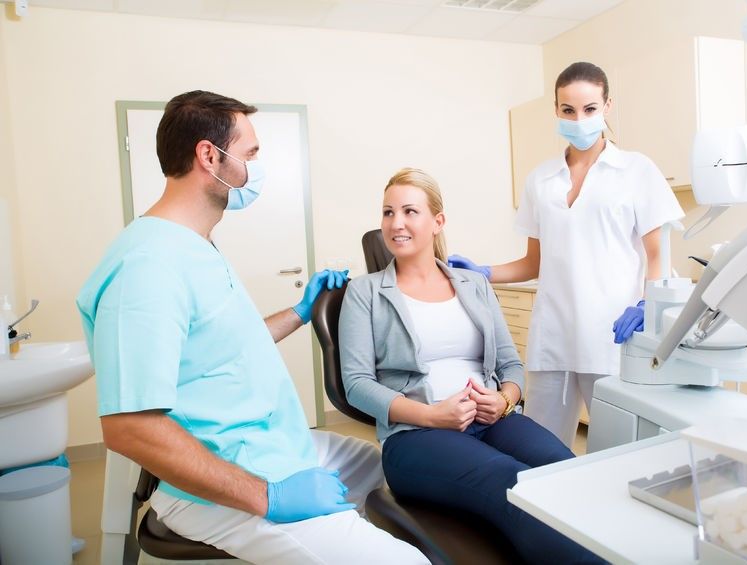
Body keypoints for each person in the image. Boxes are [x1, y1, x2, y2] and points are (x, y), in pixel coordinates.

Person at [76, 91, 428, 565]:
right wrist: (269, 496)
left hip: (270, 443)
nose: (255, 168)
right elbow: (130, 428)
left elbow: (223, 349)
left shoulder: (194, 245)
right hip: (219, 481)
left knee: (406, 472)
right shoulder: (147, 267)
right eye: (250, 154)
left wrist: (300, 311)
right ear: (209, 156)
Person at [339, 168, 602, 564]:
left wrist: (505, 399)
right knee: (513, 483)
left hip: (491, 421)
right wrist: (432, 415)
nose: (396, 223)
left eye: (410, 211)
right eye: (388, 212)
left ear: (437, 221)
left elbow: (511, 365)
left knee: (566, 470)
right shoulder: (365, 292)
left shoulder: (473, 284)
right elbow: (357, 384)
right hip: (416, 436)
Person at [448, 61, 685, 447]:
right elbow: (533, 262)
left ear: (607, 106)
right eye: (569, 110)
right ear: (557, 111)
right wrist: (483, 271)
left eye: (590, 109)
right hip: (553, 338)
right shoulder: (541, 179)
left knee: (615, 450)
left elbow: (656, 255)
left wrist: (648, 305)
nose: (579, 119)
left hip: (612, 337)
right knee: (539, 449)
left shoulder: (636, 170)